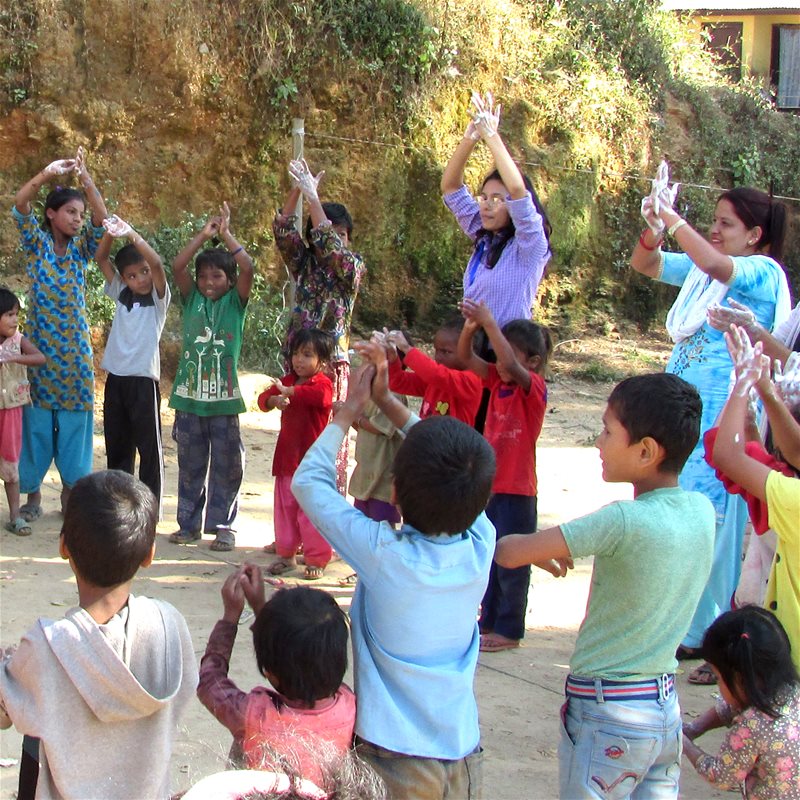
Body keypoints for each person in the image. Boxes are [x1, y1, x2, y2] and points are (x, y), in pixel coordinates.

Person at [495, 372, 716, 799]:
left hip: (608, 711)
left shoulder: (622, 520)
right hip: (664, 707)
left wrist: (534, 550)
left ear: (647, 451)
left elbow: (507, 551)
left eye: (608, 431)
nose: (598, 441)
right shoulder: (701, 511)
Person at [292, 348, 496, 800]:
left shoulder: (387, 556)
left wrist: (349, 411)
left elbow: (308, 483)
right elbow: (457, 464)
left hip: (394, 758)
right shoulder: (481, 543)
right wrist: (389, 404)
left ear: (396, 492)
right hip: (462, 749)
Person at [632, 166, 791, 683]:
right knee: (677, 508)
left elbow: (720, 266)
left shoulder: (762, 271)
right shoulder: (703, 271)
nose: (716, 229)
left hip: (726, 411)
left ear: (755, 235)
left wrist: (676, 219)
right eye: (714, 221)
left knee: (717, 521)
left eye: (726, 223)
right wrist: (654, 222)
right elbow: (647, 263)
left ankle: (712, 637)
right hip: (685, 407)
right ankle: (683, 626)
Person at [0, 470, 198, 800]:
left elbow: (7, 710)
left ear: (63, 547)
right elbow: (186, 690)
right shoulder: (168, 625)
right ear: (149, 555)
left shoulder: (46, 646)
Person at [12, 148, 108, 521]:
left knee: (74, 425)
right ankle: (33, 496)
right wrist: (47, 173)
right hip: (36, 353)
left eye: (79, 215)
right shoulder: (37, 246)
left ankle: (72, 495)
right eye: (71, 212)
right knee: (35, 423)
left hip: (74, 356)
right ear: (51, 214)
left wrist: (86, 180)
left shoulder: (82, 251)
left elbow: (103, 218)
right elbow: (21, 203)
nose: (78, 220)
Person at [197, 564, 356, 788]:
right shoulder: (349, 706)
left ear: (269, 674)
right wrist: (261, 609)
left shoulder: (251, 714)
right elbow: (296, 652)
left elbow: (210, 682)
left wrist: (230, 618)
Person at [457, 298, 551, 652]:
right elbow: (467, 358)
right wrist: (471, 328)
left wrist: (490, 321)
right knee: (490, 557)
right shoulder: (497, 382)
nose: (499, 359)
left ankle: (510, 629)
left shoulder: (534, 389)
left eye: (506, 352)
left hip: (518, 490)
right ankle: (490, 621)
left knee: (514, 564)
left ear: (533, 362)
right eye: (496, 351)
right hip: (491, 489)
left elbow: (509, 361)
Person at [273, 158, 366, 494]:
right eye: (328, 233)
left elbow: (332, 249)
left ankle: (325, 525)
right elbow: (283, 232)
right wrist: (298, 190)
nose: (335, 240)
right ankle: (292, 527)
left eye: (342, 234)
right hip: (299, 364)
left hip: (330, 368)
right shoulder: (305, 265)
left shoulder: (351, 268)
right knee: (295, 439)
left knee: (328, 443)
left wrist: (314, 200)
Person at [710, 325, 800, 667]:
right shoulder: (784, 485)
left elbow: (728, 457)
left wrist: (747, 384)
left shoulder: (789, 497)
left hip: (787, 657)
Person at [168, 202, 253, 552]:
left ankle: (223, 526)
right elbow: (177, 266)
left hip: (224, 402)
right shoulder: (190, 301)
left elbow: (248, 265)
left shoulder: (236, 303)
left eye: (216, 276)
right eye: (203, 276)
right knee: (190, 465)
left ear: (230, 281)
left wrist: (227, 235)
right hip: (189, 400)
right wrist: (204, 234)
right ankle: (188, 525)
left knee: (227, 466)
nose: (207, 282)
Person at [441, 91, 551, 333]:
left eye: (498, 200)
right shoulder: (484, 236)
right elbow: (451, 188)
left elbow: (517, 190)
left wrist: (491, 135)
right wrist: (470, 138)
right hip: (474, 349)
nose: (486, 205)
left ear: (513, 207)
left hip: (507, 353)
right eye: (484, 197)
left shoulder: (530, 247)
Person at [682, 606, 800, 799]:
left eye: (719, 678)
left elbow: (720, 776)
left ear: (739, 679)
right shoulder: (791, 691)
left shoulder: (752, 727)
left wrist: (684, 743)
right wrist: (696, 727)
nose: (718, 686)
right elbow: (731, 706)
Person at [95, 214, 170, 507]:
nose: (140, 279)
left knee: (149, 449)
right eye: (132, 275)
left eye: (143, 272)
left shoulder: (159, 298)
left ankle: (150, 509)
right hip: (116, 380)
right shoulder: (121, 292)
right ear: (124, 278)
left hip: (142, 382)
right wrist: (111, 233)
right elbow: (102, 258)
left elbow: (159, 265)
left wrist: (132, 233)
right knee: (117, 447)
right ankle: (119, 507)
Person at [257, 329, 334, 580]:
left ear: (322, 362)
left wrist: (290, 393)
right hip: (287, 459)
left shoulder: (322, 383)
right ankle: (287, 555)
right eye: (296, 354)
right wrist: (275, 401)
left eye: (307, 355)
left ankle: (316, 558)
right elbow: (263, 399)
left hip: (311, 463)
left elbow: (321, 398)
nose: (298, 360)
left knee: (311, 511)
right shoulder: (287, 380)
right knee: (286, 509)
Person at [0, 289, 45, 536]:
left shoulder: (18, 341)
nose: (15, 319)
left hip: (12, 413)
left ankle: (15, 516)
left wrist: (14, 358)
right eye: (8, 314)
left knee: (10, 464)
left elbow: (40, 358)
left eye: (16, 314)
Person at [384, 319, 483, 426]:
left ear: (469, 351)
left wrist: (407, 349)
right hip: (430, 440)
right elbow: (398, 382)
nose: (438, 357)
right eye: (437, 350)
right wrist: (393, 359)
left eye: (446, 352)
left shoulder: (471, 381)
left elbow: (437, 375)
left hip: (452, 442)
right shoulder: (433, 381)